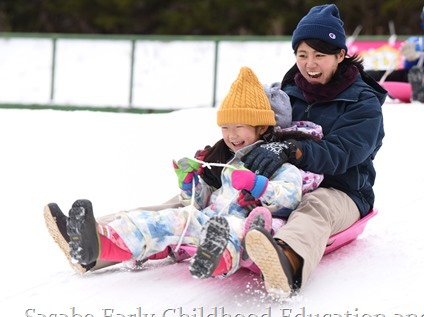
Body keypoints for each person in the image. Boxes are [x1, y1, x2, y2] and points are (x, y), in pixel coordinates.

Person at [45, 66, 306, 280]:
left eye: (240, 126)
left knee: (231, 228)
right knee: (169, 218)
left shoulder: (277, 163)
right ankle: (103, 242)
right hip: (205, 219)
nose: (231, 135)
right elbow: (205, 201)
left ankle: (214, 258)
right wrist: (190, 184)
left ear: (261, 128)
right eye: (225, 127)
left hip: (244, 225)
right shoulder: (226, 162)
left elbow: (291, 197)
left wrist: (259, 184)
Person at [239, 4, 386, 298]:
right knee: (219, 186)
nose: (310, 64)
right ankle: (131, 232)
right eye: (302, 55)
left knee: (315, 207)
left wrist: (293, 150)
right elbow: (256, 131)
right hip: (286, 183)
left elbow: (343, 152)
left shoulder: (363, 103)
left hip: (342, 191)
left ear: (340, 55)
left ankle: (286, 260)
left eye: (320, 55)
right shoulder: (286, 92)